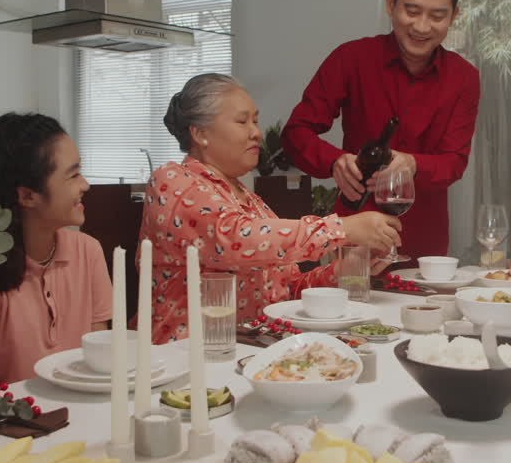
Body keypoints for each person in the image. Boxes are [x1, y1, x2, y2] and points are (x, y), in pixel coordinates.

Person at [143, 73, 401, 343]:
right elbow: (234, 239)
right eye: (242, 121)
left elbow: (288, 289)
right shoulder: (172, 181)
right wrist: (342, 228)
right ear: (200, 133)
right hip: (183, 355)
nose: (256, 132)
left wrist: (347, 267)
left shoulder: (251, 202)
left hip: (252, 348)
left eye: (255, 120)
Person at [281, 0, 481, 261]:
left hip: (424, 241)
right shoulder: (351, 59)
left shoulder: (464, 78)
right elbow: (296, 132)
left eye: (437, 16)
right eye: (411, 11)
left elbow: (455, 161)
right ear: (391, 4)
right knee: (352, 303)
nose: (422, 26)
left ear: (454, 15)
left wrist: (414, 164)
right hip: (356, 229)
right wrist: (335, 162)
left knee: (423, 307)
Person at [0, 113, 112, 389]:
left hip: (74, 418)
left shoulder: (88, 252)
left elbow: (98, 372)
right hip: (1, 425)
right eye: (73, 175)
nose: (86, 185)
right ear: (27, 196)